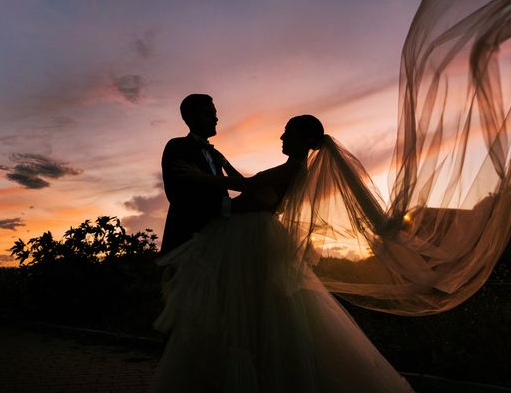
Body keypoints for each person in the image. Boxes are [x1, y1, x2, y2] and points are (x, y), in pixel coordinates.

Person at [151, 115, 414, 392]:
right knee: (249, 306)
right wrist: (226, 166)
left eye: (287, 132)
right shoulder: (290, 168)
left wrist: (200, 177)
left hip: (251, 239)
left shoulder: (295, 169)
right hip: (252, 234)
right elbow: (258, 186)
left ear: (302, 139)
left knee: (245, 306)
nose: (282, 137)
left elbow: (249, 186)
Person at [160, 94, 241, 254]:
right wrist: (228, 207)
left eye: (215, 114)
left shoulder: (216, 155)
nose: (216, 119)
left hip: (217, 240)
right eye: (209, 114)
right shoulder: (177, 147)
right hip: (187, 241)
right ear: (191, 117)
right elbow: (180, 196)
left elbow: (236, 184)